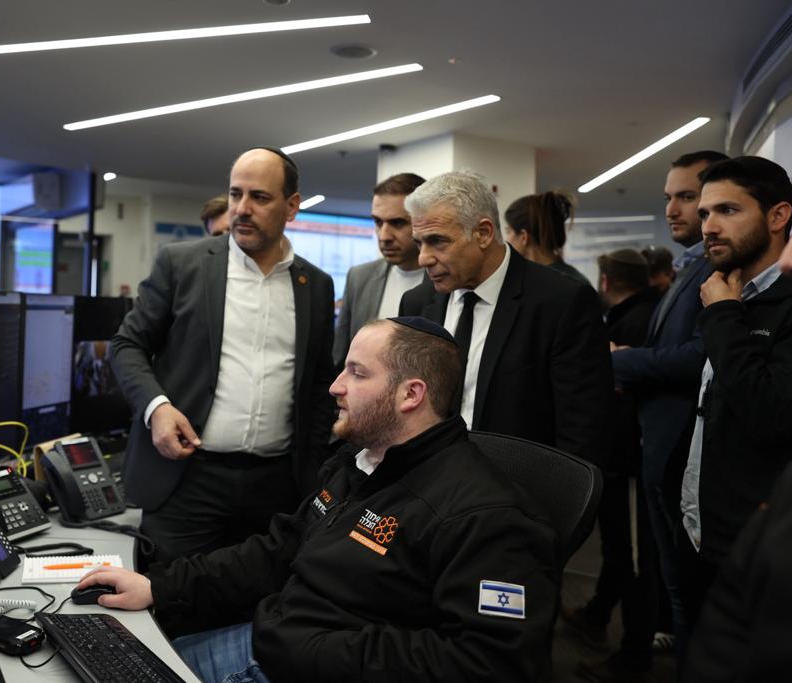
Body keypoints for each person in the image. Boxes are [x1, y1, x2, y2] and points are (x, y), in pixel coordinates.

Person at [82, 317, 560, 683]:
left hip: (295, 663)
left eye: (356, 372)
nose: (335, 386)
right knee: (101, 655)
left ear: (410, 394)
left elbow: (489, 663)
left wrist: (308, 647)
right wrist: (159, 588)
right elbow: (276, 552)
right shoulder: (361, 464)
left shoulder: (485, 517)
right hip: (273, 639)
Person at [111, 147, 336, 564]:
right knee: (167, 608)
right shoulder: (182, 265)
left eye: (259, 198)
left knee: (254, 610)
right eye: (236, 195)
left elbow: (321, 383)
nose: (242, 209)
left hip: (276, 487)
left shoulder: (315, 285)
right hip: (187, 479)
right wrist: (157, 408)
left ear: (291, 207)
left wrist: (314, 468)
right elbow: (127, 346)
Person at [676, 155, 792, 637]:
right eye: (706, 213)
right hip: (698, 529)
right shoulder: (724, 291)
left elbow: (770, 411)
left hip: (757, 543)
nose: (708, 226)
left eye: (728, 211)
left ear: (777, 216)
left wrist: (726, 318)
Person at [399, 170, 612, 467]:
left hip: (518, 493)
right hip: (428, 488)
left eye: (437, 241)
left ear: (484, 233)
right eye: (419, 243)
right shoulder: (418, 303)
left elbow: (582, 428)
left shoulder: (561, 302)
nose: (423, 258)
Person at [610, 150, 728, 659]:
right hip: (660, 450)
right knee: (676, 590)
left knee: (688, 596)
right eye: (670, 198)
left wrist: (623, 361)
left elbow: (701, 357)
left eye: (687, 197)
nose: (673, 210)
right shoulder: (692, 266)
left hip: (685, 455)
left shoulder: (718, 271)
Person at [572, 249, 662, 682]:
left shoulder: (630, 323)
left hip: (626, 458)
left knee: (630, 557)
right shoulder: (647, 315)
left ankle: (632, 656)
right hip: (623, 455)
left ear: (605, 282)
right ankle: (596, 615)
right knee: (619, 551)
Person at [333, 173, 427, 368]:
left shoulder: (447, 282)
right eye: (378, 222)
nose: (384, 236)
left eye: (398, 223)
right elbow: (340, 356)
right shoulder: (359, 278)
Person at [504, 190, 590, 286]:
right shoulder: (528, 279)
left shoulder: (571, 285)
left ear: (524, 236)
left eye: (508, 231)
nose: (506, 240)